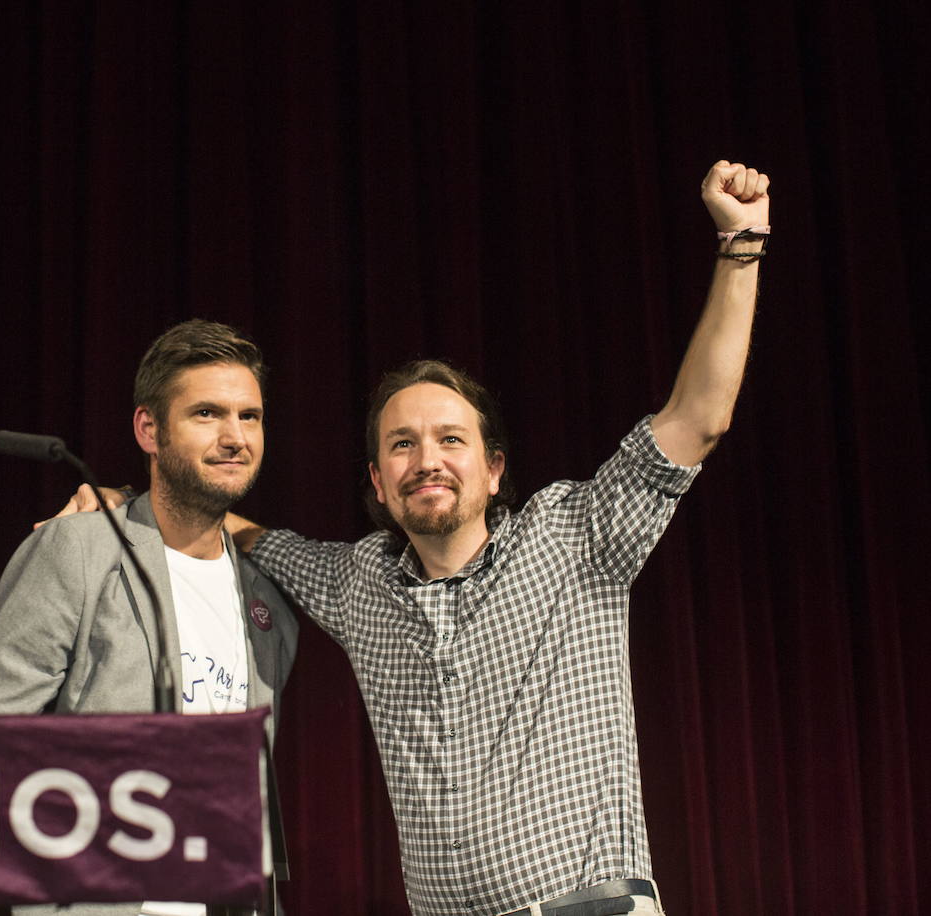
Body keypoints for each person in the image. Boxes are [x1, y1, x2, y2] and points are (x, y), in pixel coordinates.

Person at [54, 161, 770, 916]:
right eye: (402, 444)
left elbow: (698, 419)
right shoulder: (358, 582)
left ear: (494, 468)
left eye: (450, 439)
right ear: (378, 480)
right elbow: (252, 534)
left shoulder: (573, 535)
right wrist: (135, 498)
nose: (427, 459)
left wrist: (741, 243)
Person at [0, 319, 299, 916]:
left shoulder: (269, 604)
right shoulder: (80, 550)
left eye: (250, 416)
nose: (235, 436)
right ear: (149, 429)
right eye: (207, 413)